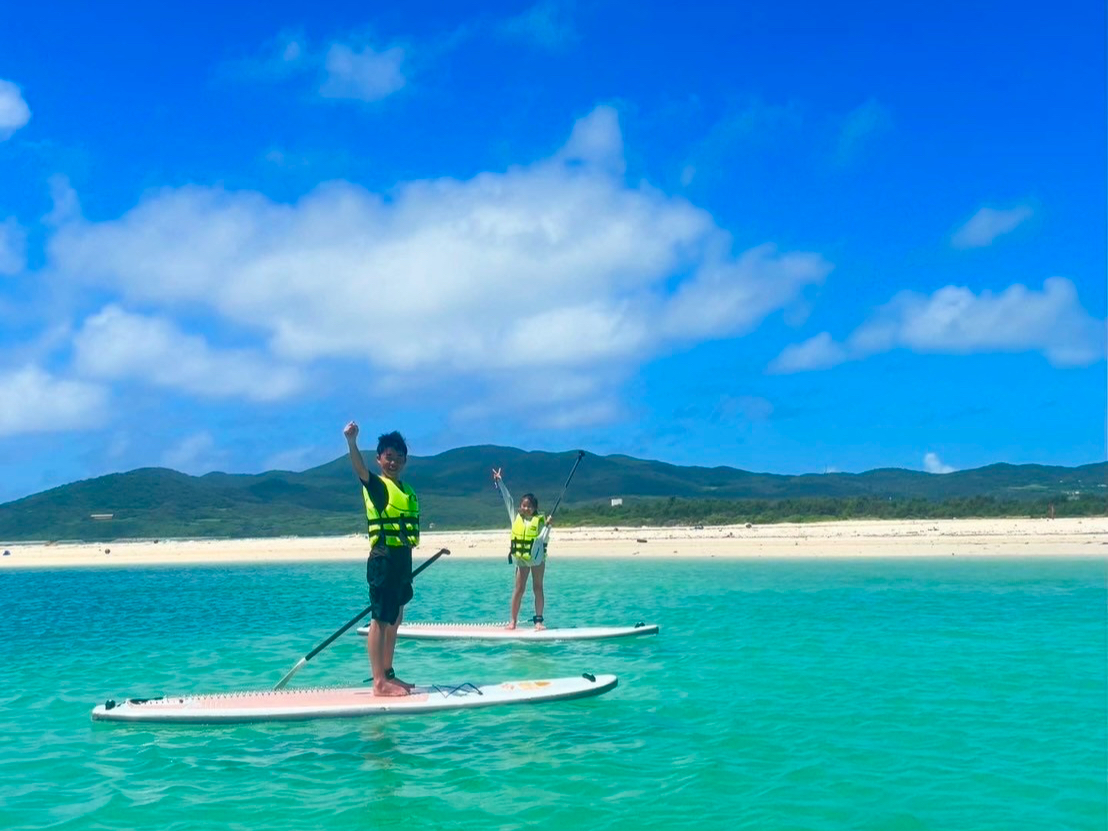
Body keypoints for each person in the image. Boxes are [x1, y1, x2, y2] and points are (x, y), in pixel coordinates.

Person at [345, 420, 419, 696]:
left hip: (403, 559)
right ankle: (378, 682)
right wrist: (352, 443)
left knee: (396, 617)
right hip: (384, 559)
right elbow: (360, 470)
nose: (394, 461)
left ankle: (389, 673)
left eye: (399, 457)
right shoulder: (378, 486)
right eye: (389, 456)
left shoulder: (407, 489)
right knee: (380, 618)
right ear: (379, 459)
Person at [492, 467, 551, 630]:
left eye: (529, 506)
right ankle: (513, 621)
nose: (525, 508)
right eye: (523, 506)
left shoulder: (541, 521)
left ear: (534, 508)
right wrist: (499, 481)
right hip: (521, 560)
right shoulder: (515, 517)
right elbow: (507, 499)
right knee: (519, 589)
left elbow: (544, 539)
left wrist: (548, 527)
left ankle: (538, 621)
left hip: (537, 559)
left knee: (537, 587)